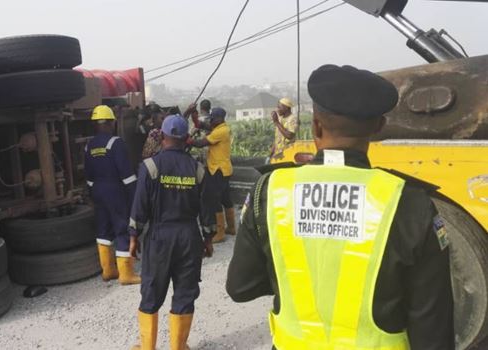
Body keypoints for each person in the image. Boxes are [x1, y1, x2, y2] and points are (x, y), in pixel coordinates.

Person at [226, 65, 453, 349]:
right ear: (379, 128)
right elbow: (433, 329)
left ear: (316, 126)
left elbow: (240, 288)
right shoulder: (408, 200)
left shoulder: (271, 190)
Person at [129, 114, 215, 350]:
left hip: (159, 237)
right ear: (186, 138)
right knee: (185, 292)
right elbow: (206, 209)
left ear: (163, 137)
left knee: (151, 290)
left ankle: (147, 347)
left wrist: (133, 237)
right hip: (189, 237)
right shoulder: (197, 169)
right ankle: (178, 346)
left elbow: (140, 207)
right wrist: (208, 238)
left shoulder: (150, 166)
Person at [85, 105, 140, 285]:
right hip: (115, 191)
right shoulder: (116, 143)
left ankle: (108, 270)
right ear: (111, 123)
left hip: (97, 191)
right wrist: (135, 197)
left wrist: (93, 193)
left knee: (103, 229)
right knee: (122, 227)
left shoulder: (89, 145)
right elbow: (127, 175)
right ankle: (126, 274)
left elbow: (89, 175)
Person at [187, 107, 236, 243]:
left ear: (219, 119)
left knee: (214, 201)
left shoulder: (220, 131)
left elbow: (200, 143)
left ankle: (219, 233)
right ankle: (231, 227)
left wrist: (187, 139)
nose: (211, 120)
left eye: (213, 118)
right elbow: (200, 125)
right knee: (226, 198)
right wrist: (194, 115)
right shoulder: (220, 127)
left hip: (217, 170)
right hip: (224, 169)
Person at [269, 97, 298, 162]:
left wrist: (276, 122)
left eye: (279, 107)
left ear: (287, 108)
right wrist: (271, 154)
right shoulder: (280, 119)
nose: (277, 109)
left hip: (288, 153)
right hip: (279, 154)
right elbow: (278, 138)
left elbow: (290, 136)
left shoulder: (292, 119)